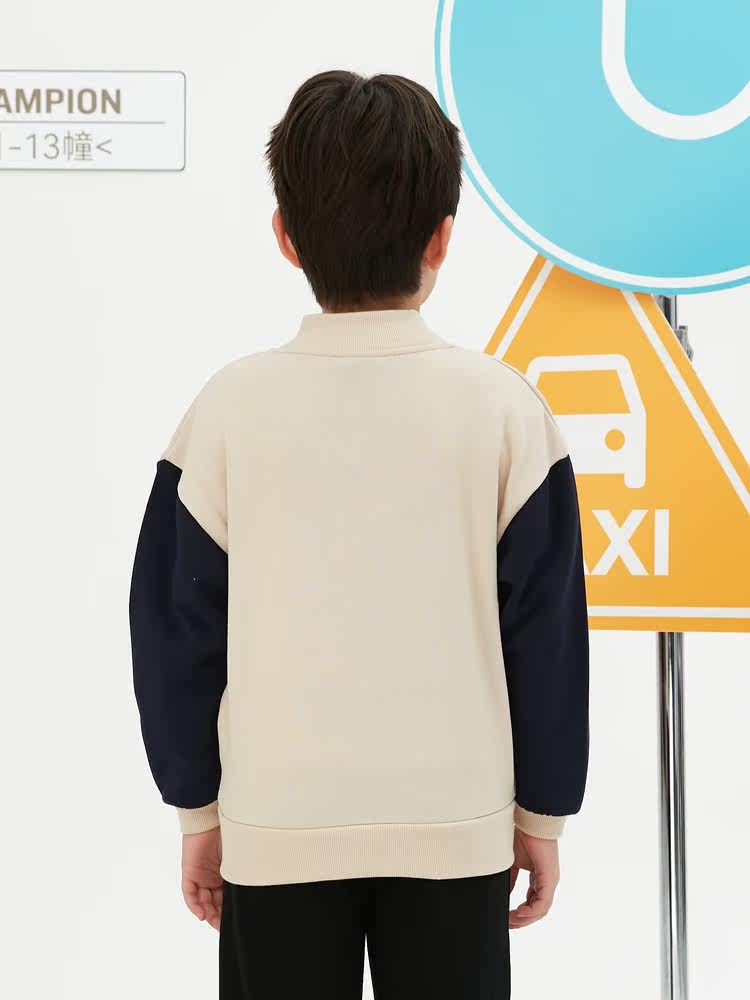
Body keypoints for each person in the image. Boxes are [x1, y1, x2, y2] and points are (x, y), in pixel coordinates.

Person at [129, 70, 589, 999]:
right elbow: (546, 636)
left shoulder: (226, 412)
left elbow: (174, 629)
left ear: (286, 238)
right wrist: (541, 814)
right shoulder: (506, 412)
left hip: (275, 824)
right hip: (456, 826)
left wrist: (197, 809)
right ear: (443, 238)